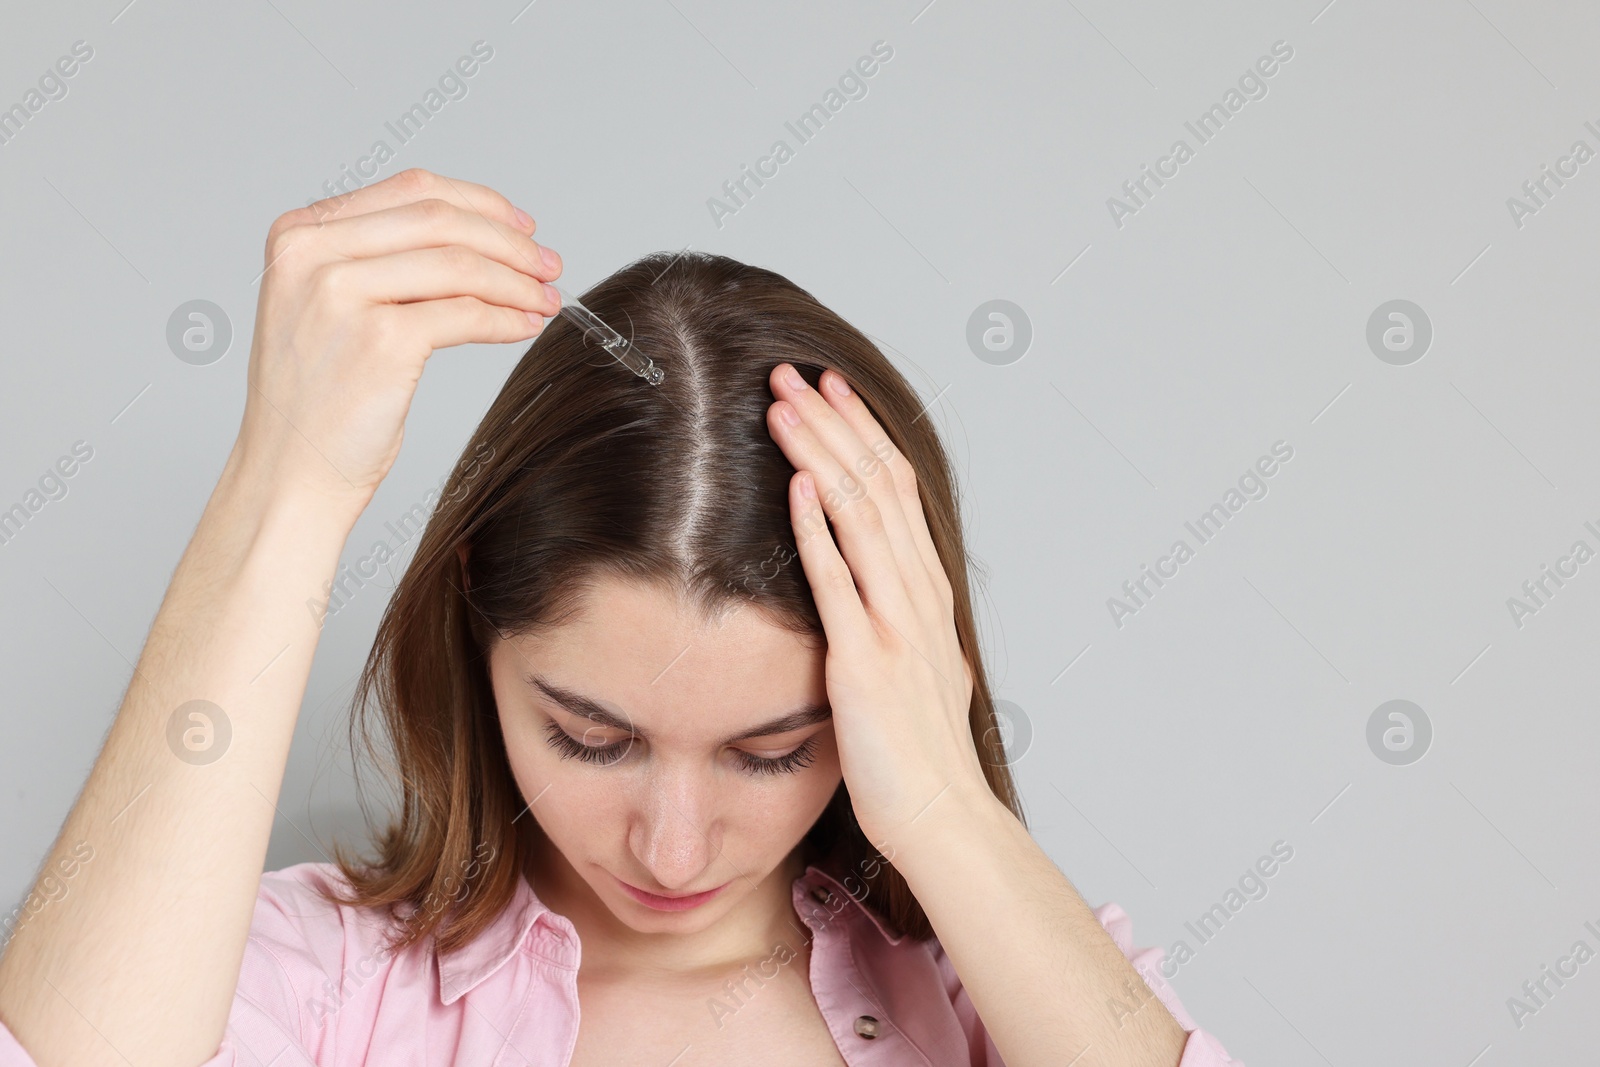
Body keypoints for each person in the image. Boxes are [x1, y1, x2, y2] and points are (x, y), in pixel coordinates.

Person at [0, 169, 1242, 1067]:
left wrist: (944, 806)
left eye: (773, 750)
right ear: (480, 633)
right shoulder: (319, 984)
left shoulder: (993, 996)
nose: (674, 849)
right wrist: (284, 492)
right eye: (593, 735)